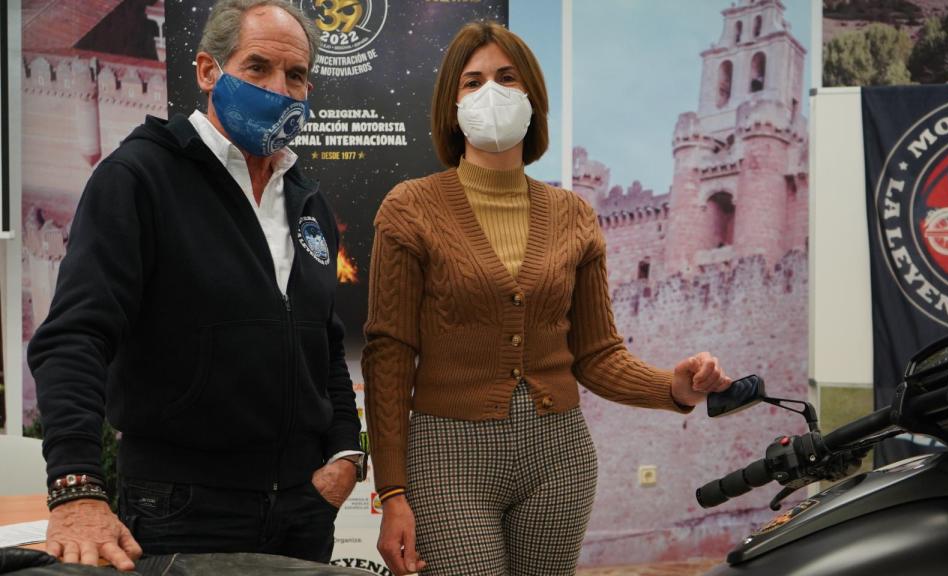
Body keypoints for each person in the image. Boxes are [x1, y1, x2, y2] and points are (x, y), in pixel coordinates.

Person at [361, 21, 733, 576]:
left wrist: (671, 386)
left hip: (558, 457)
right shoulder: (409, 208)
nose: (491, 92)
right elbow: (389, 355)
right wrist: (392, 492)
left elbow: (596, 353)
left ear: (532, 95)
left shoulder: (574, 214)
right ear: (450, 102)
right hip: (448, 456)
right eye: (473, 81)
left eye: (507, 78)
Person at [27, 0, 365, 570]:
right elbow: (75, 336)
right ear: (209, 71)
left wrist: (345, 455)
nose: (279, 89)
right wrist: (76, 486)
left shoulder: (305, 198)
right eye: (257, 68)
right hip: (180, 508)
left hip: (304, 512)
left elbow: (323, 341)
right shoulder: (138, 178)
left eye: (296, 75)